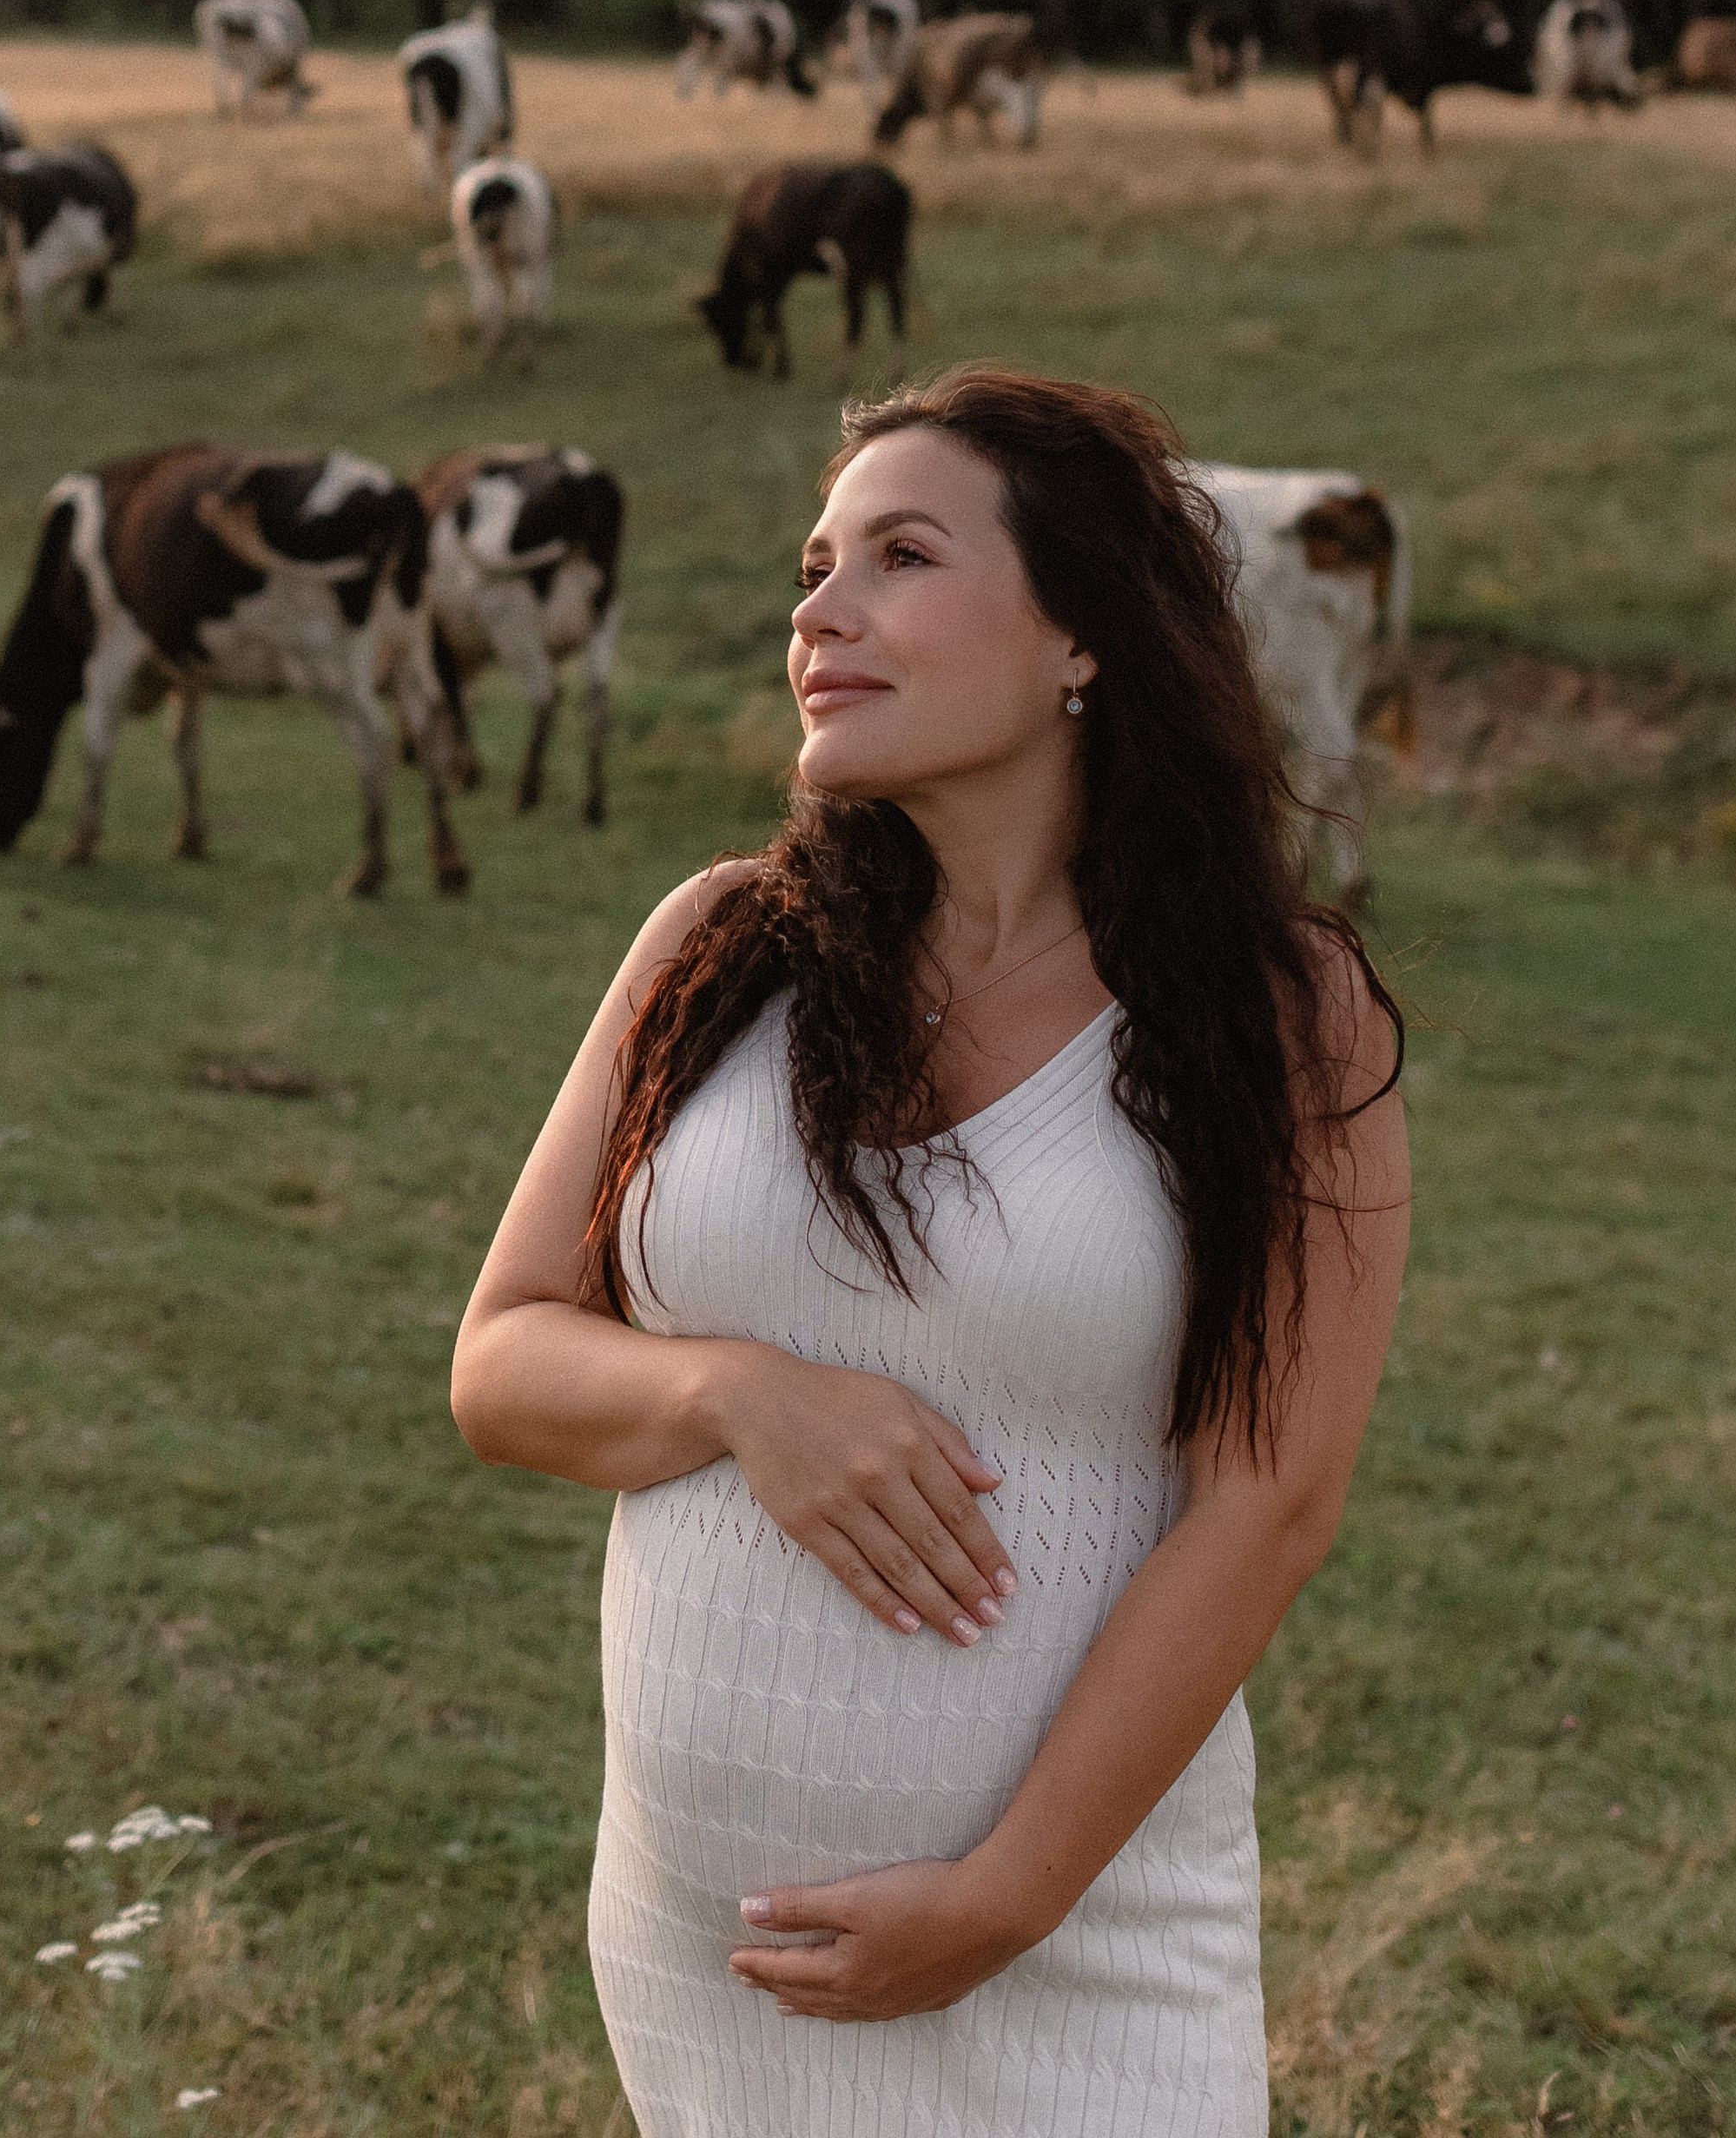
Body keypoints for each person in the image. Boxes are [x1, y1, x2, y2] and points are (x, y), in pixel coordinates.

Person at [452, 368, 1411, 2136]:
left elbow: (1268, 1507)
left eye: (899, 556)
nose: (820, 610)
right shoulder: (717, 951)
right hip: (706, 1958)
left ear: (1082, 637)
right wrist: (741, 1393)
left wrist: (1001, 1901)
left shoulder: (1282, 1016)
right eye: (815, 565)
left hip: (1075, 1959)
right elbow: (504, 1359)